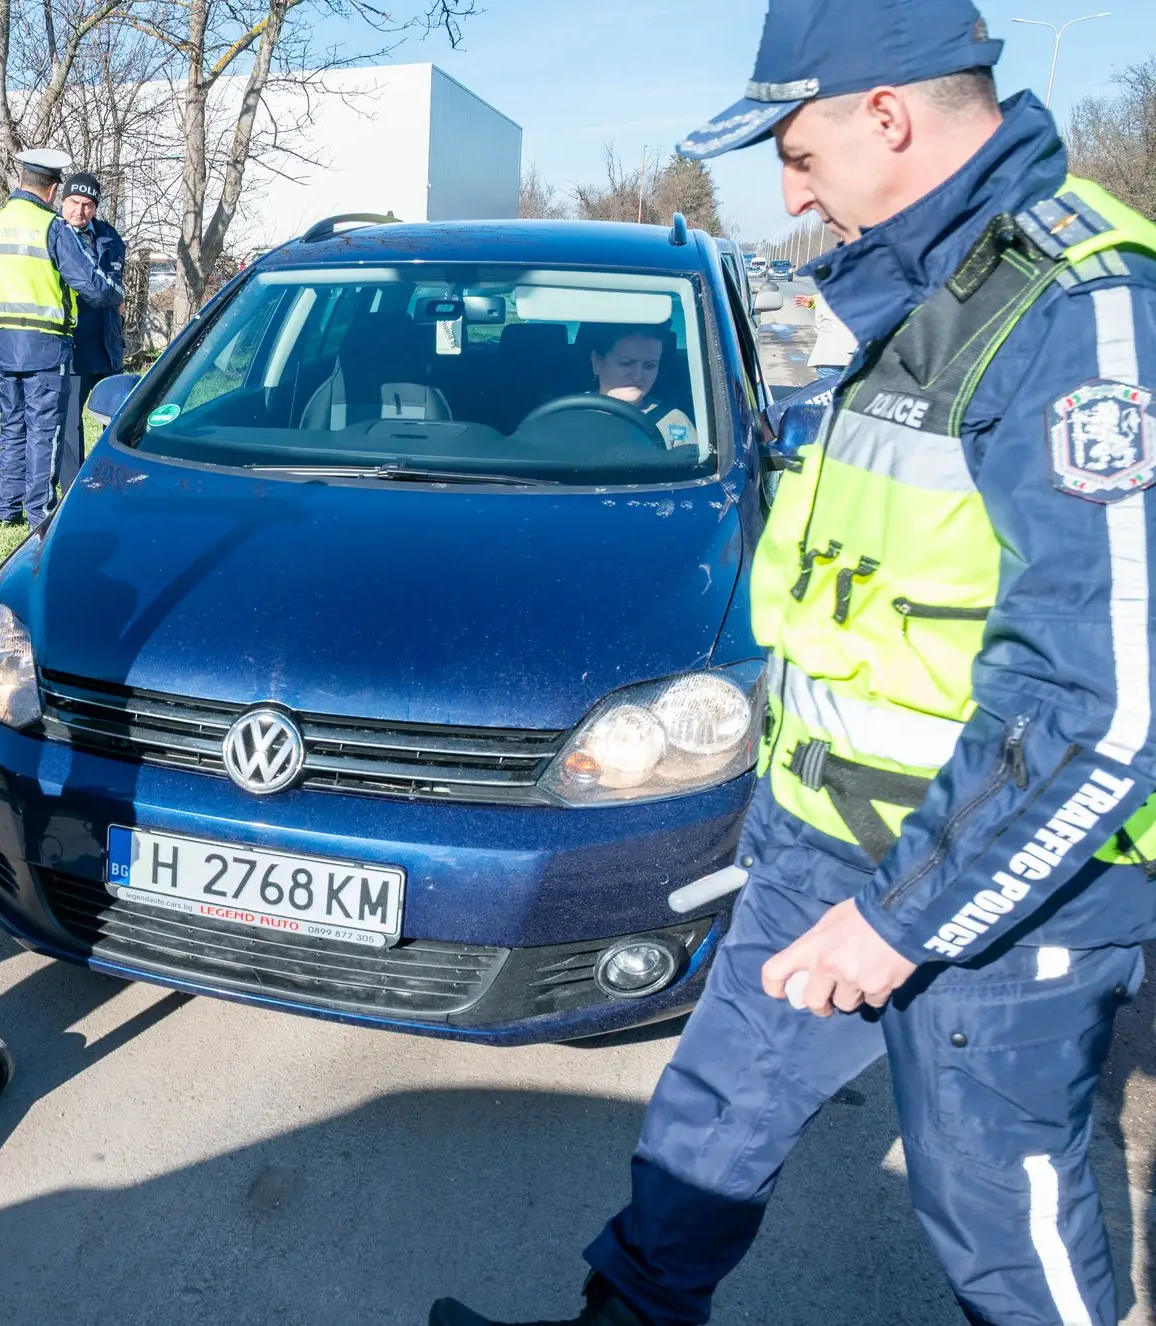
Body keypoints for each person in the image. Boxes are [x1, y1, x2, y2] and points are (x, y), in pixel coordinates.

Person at [431, 1, 1156, 1323]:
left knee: (999, 1211)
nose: (788, 189)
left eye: (800, 151)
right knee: (709, 1126)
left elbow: (1103, 708)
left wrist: (899, 920)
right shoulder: (918, 289)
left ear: (886, 116)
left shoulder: (1079, 309)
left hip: (996, 875)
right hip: (823, 833)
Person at [0, 149, 124, 527]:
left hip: (0, 344)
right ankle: (40, 513)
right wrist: (116, 294)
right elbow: (92, 286)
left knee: (12, 428)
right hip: (44, 345)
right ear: (54, 190)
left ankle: (4, 509)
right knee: (46, 429)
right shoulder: (49, 227)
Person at [57, 170, 128, 493]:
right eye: (73, 202)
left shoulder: (111, 238)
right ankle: (72, 490)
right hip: (71, 344)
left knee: (117, 415)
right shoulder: (54, 235)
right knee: (69, 423)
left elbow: (118, 289)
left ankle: (112, 480)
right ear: (62, 200)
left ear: (96, 207)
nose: (79, 211)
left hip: (106, 341)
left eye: (87, 204)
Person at [585, 325, 699, 452]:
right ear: (597, 362)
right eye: (626, 363)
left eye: (649, 366)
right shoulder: (570, 415)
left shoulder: (674, 421)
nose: (638, 376)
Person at [807, 293, 859, 378]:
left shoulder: (829, 287)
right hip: (861, 353)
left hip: (831, 354)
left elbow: (819, 324)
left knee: (827, 387)